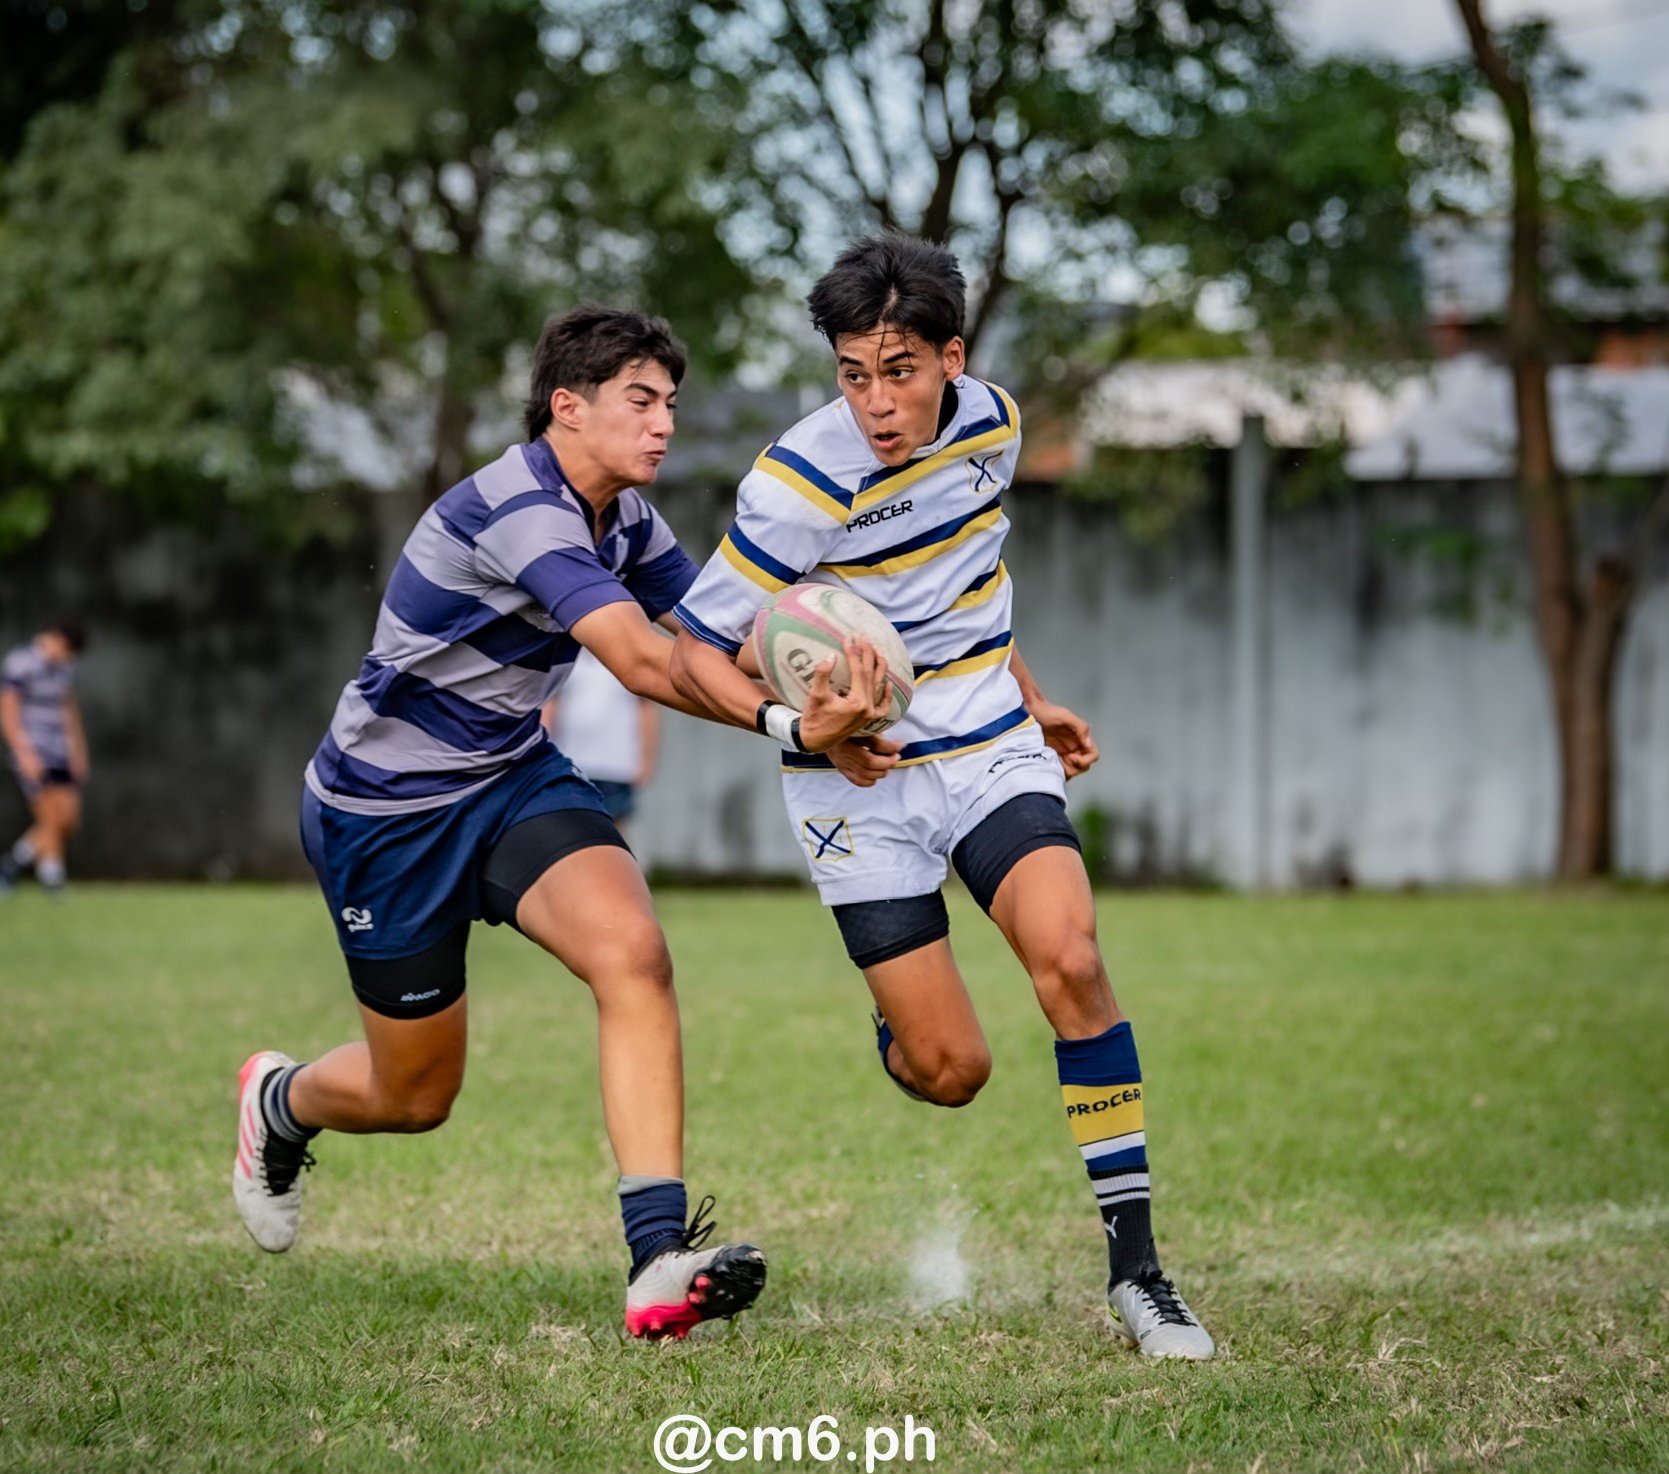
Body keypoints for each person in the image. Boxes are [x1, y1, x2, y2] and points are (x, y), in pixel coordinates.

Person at [232, 305, 892, 1340]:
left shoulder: (624, 517)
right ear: (565, 405)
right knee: (415, 1093)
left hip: (508, 778)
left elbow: (716, 634)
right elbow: (640, 660)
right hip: (386, 814)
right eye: (641, 400)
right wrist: (792, 728)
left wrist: (830, 677)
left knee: (633, 952)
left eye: (670, 402)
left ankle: (656, 1260)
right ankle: (280, 1104)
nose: (664, 423)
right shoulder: (517, 509)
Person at [669, 236, 1215, 1359]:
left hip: (985, 743)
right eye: (852, 373)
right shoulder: (793, 484)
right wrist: (800, 726)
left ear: (951, 356)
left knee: (1069, 957)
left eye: (900, 368)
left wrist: (1030, 692)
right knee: (950, 1071)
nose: (876, 400)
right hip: (851, 784)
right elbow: (690, 649)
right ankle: (901, 1029)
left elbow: (963, 581)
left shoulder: (995, 427)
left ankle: (1140, 1274)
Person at [0, 618, 89, 898]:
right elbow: (7, 708)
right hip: (33, 748)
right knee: (48, 815)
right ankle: (52, 880)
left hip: (59, 748)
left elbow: (67, 707)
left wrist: (77, 748)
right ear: (56, 638)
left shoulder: (64, 667)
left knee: (67, 820)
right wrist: (23, 751)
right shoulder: (21, 662)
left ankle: (11, 864)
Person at [544, 646, 659, 837]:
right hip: (571, 760)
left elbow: (647, 712)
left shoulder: (628, 662)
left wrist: (646, 761)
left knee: (613, 827)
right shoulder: (567, 658)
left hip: (616, 764)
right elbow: (550, 708)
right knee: (570, 826)